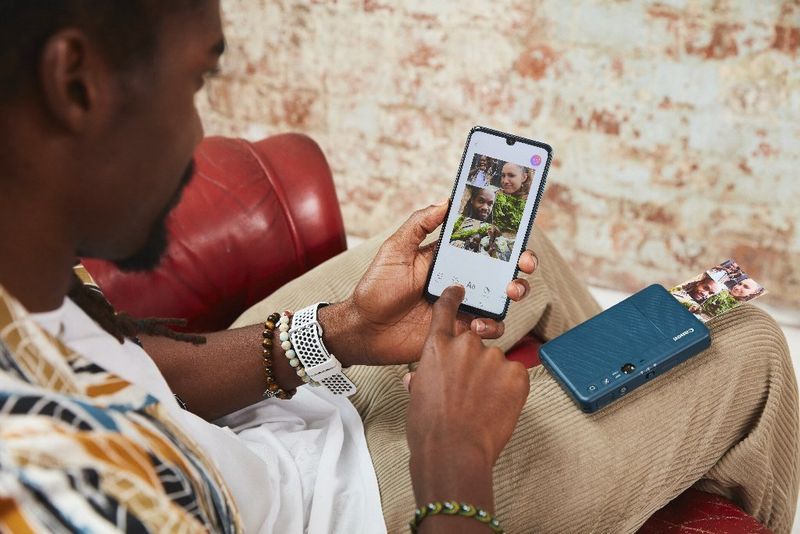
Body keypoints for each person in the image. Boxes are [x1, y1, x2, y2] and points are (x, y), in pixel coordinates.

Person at [0, 3, 797, 534]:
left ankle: (627, 443)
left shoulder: (23, 278)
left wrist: (339, 332)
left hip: (249, 434)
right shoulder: (54, 495)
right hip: (350, 510)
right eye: (196, 79)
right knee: (752, 346)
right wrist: (455, 461)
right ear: (76, 84)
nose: (200, 132)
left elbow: (128, 365)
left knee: (519, 265)